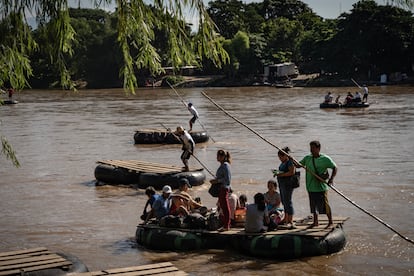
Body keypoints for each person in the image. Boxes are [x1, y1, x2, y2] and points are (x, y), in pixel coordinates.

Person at [298, 141, 338, 228]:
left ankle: (330, 222)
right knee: (313, 207)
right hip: (310, 187)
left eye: (313, 148)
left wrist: (331, 179)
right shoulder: (307, 158)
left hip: (321, 188)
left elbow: (335, 167)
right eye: (310, 148)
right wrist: (290, 158)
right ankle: (315, 222)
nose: (311, 150)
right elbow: (298, 165)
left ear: (318, 148)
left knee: (325, 206)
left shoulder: (325, 159)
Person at [210, 149, 232, 232]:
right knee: (222, 206)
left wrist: (217, 181)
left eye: (218, 156)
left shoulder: (226, 165)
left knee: (225, 207)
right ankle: (225, 224)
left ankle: (227, 225)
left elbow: (227, 180)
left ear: (223, 157)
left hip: (224, 188)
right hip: (221, 188)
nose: (217, 157)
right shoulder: (222, 165)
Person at [275, 147, 296, 229]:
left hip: (288, 184)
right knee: (284, 201)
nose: (280, 159)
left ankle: (290, 220)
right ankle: (286, 218)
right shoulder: (283, 163)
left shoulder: (289, 162)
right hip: (282, 184)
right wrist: (278, 173)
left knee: (288, 201)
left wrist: (280, 175)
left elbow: (292, 172)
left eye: (281, 157)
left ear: (285, 156)